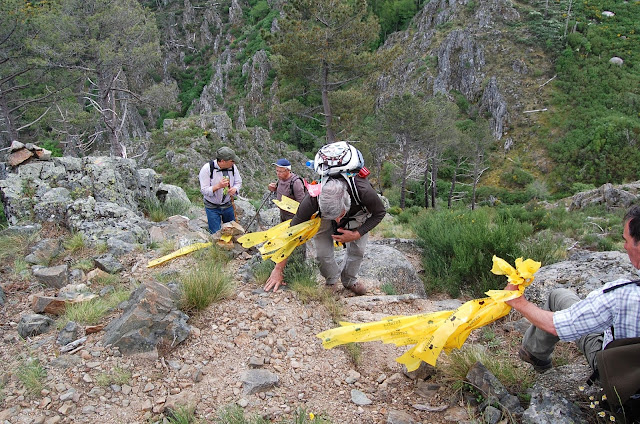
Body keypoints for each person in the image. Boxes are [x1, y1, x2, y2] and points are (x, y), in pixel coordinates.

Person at [505, 205, 640, 373]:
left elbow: (556, 325)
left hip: (620, 377)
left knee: (558, 297)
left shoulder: (621, 296)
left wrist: (517, 301)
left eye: (626, 240)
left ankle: (534, 355)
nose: (625, 247)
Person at [264, 176, 386, 295]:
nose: (338, 221)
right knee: (322, 253)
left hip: (357, 213)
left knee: (358, 250)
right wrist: (278, 269)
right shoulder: (312, 200)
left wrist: (357, 234)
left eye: (340, 215)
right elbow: (291, 233)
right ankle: (331, 280)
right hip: (323, 216)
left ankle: (350, 280)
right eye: (334, 218)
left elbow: (380, 213)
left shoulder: (363, 191)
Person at [198, 146, 242, 234]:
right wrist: (218, 186)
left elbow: (238, 182)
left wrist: (235, 189)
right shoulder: (207, 169)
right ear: (222, 161)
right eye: (232, 161)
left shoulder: (233, 167)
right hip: (212, 207)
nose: (234, 163)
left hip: (228, 205)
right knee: (216, 233)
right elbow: (204, 190)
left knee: (232, 231)